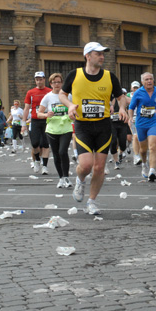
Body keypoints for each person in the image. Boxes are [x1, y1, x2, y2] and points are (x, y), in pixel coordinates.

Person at [59, 42, 127, 215]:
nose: (102, 57)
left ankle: (92, 201)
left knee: (99, 168)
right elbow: (62, 94)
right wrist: (70, 105)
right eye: (98, 54)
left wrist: (123, 109)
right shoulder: (75, 74)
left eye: (103, 54)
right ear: (88, 56)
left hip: (103, 125)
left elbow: (121, 96)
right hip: (83, 125)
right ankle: (80, 180)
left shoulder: (109, 76)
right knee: (86, 165)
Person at [38, 73, 73, 189]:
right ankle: (61, 178)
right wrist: (46, 114)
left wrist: (72, 114)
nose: (57, 84)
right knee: (57, 154)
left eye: (58, 82)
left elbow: (74, 109)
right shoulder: (48, 97)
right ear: (51, 84)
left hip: (66, 128)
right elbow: (39, 114)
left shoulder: (69, 96)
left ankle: (66, 177)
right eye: (54, 82)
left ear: (62, 83)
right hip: (52, 129)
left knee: (63, 152)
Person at [128, 72, 156, 182]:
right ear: (142, 82)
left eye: (151, 79)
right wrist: (130, 118)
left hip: (154, 122)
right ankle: (144, 164)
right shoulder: (138, 92)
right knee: (143, 149)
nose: (149, 81)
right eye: (146, 79)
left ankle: (152, 170)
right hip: (141, 123)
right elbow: (131, 107)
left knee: (153, 145)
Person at [22, 71, 51, 175]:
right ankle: (37, 160)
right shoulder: (30, 92)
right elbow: (26, 108)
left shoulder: (49, 91)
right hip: (35, 120)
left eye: (41, 79)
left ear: (44, 79)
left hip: (47, 120)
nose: (39, 81)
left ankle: (45, 166)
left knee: (45, 144)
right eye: (37, 79)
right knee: (35, 144)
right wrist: (23, 124)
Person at [109, 88, 128, 170]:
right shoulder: (108, 100)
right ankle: (116, 161)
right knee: (113, 142)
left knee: (123, 143)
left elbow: (132, 103)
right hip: (112, 124)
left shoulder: (123, 100)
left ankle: (121, 153)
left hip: (122, 123)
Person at [127, 81, 142, 165]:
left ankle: (141, 153)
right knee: (135, 136)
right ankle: (136, 156)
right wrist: (129, 117)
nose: (135, 89)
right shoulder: (129, 96)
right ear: (131, 88)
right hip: (133, 118)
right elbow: (125, 106)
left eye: (137, 87)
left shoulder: (143, 94)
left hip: (143, 117)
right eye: (134, 87)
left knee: (142, 137)